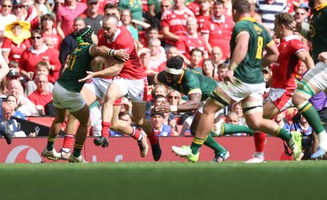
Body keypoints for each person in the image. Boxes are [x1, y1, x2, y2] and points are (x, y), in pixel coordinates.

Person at [171, 0, 303, 162]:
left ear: (234, 11)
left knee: (209, 109)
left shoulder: (241, 26)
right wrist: (258, 66)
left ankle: (194, 150)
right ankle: (290, 136)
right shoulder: (260, 27)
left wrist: (232, 68)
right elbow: (274, 53)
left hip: (241, 79)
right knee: (255, 121)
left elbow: (242, 45)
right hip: (257, 81)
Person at [82, 11, 162, 161]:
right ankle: (104, 136)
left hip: (136, 79)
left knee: (139, 120)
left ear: (117, 25)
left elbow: (116, 68)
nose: (105, 32)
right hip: (121, 78)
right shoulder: (102, 33)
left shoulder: (125, 39)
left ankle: (152, 140)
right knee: (109, 97)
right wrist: (105, 51)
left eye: (108, 29)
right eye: (104, 28)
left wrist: (95, 74)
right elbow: (99, 50)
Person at [41, 27, 129, 162]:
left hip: (58, 87)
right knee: (86, 122)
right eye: (93, 34)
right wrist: (114, 51)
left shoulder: (76, 49)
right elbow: (99, 50)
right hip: (69, 91)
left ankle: (49, 148)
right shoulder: (89, 47)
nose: (95, 36)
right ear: (88, 37)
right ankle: (76, 155)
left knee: (59, 118)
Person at [155, 57, 253, 162]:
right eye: (167, 74)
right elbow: (150, 79)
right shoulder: (164, 75)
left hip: (215, 95)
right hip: (204, 98)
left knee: (197, 129)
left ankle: (201, 151)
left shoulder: (189, 79)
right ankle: (250, 130)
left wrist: (171, 108)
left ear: (179, 73)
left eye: (171, 75)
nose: (168, 78)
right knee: (214, 130)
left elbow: (195, 103)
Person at [292, 0, 327, 159]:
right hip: (321, 65)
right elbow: (317, 35)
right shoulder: (317, 13)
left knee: (299, 97)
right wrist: (302, 29)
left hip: (325, 66)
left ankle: (323, 137)